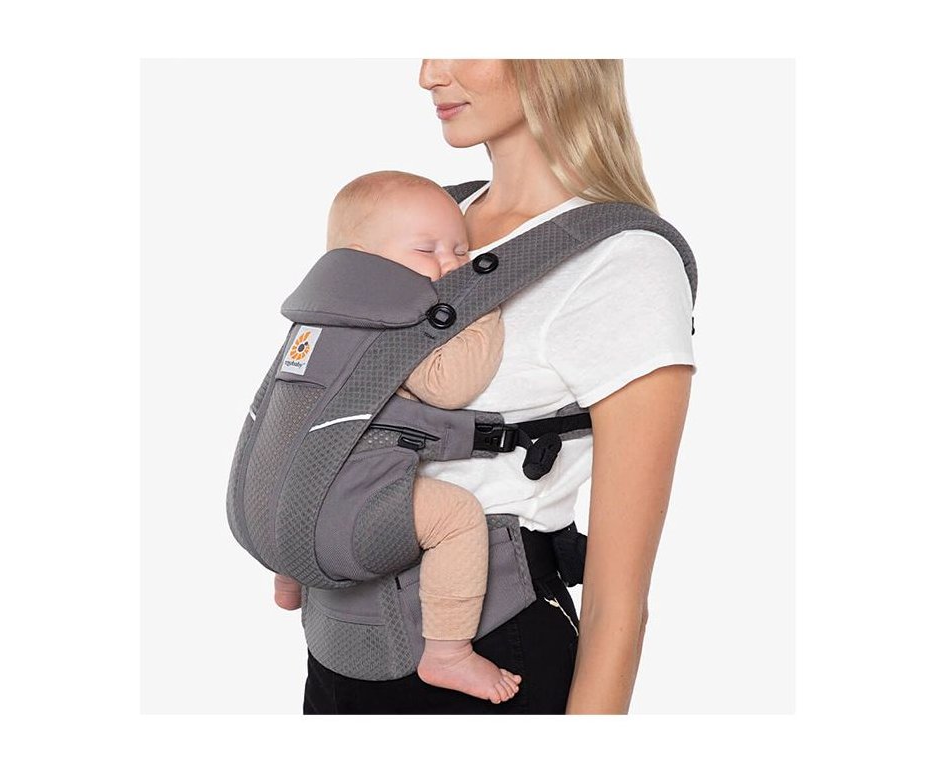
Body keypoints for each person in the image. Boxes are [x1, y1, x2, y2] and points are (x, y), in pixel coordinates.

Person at [299, 59, 696, 714]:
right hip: (342, 643)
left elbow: (617, 603)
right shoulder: (422, 218)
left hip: (493, 650)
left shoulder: (622, 262)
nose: (429, 73)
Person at [274, 169, 524, 705]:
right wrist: (485, 307)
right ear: (363, 261)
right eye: (426, 250)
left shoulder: (316, 317)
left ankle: (289, 575)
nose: (451, 264)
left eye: (460, 249)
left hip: (291, 499)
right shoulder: (394, 318)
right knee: (456, 518)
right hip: (349, 500)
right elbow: (449, 385)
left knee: (291, 475)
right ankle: (448, 653)